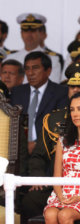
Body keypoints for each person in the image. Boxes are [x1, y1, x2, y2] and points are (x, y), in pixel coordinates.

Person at [19, 62, 80, 224]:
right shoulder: (55, 119)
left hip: (76, 190)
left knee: (64, 215)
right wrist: (38, 178)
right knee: (29, 201)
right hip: (56, 184)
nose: (76, 90)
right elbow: (39, 154)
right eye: (72, 87)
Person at [10, 51, 68, 155]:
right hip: (19, 150)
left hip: (47, 151)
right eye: (27, 68)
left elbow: (59, 126)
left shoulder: (61, 93)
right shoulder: (17, 92)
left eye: (35, 68)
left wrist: (37, 144)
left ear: (48, 71)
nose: (30, 73)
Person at [44, 92, 80, 224]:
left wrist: (78, 197)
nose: (75, 114)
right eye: (72, 110)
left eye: (79, 109)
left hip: (79, 196)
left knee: (64, 215)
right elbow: (57, 176)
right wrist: (61, 197)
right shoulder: (63, 140)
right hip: (63, 194)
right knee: (50, 214)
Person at [6, 13, 62, 84]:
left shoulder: (52, 59)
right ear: (21, 33)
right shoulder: (9, 57)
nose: (29, 35)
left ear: (41, 33)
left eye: (33, 31)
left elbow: (53, 85)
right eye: (25, 31)